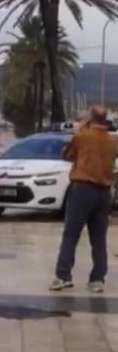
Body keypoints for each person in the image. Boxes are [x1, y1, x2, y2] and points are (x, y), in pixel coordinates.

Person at [50, 106, 118, 294]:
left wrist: (81, 127)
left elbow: (66, 154)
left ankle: (63, 276)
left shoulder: (82, 136)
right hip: (104, 192)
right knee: (98, 238)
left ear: (90, 117)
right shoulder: (113, 141)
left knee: (71, 234)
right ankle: (97, 279)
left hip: (83, 189)